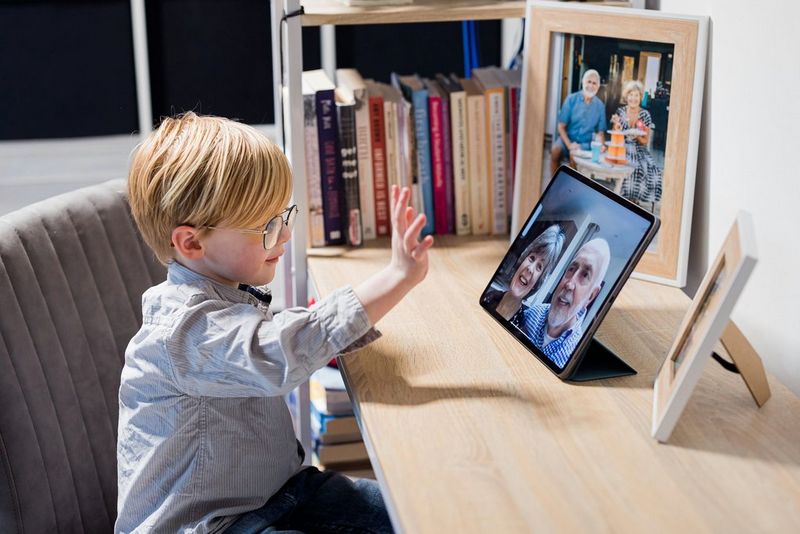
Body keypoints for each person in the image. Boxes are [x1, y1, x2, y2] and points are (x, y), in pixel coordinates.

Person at [117, 112, 433, 533]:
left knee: (416, 513)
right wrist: (395, 277)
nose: (283, 235)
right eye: (266, 226)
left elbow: (256, 338)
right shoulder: (181, 331)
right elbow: (268, 353)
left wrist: (339, 330)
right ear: (191, 242)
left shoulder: (222, 296)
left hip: (280, 494)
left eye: (283, 216)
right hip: (216, 525)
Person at [519, 238, 610, 368]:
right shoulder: (531, 313)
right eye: (572, 269)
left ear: (591, 296)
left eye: (585, 275)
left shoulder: (576, 357)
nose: (569, 284)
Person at [483, 224, 565, 324]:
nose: (530, 268)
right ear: (522, 260)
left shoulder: (520, 329)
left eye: (539, 267)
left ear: (537, 283)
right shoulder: (488, 296)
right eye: (532, 258)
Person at [611, 79, 663, 205]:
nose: (633, 98)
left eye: (636, 95)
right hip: (623, 147)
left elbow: (644, 141)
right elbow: (615, 135)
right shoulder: (621, 112)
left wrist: (637, 136)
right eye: (631, 94)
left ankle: (634, 201)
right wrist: (616, 125)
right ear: (626, 96)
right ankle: (624, 199)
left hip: (639, 149)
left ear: (640, 97)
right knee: (628, 164)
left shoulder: (645, 115)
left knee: (648, 169)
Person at [550, 69, 607, 176]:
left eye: (594, 83)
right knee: (555, 150)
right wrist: (569, 144)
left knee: (574, 155)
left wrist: (602, 145)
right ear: (583, 82)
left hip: (585, 143)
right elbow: (561, 126)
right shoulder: (571, 99)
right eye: (588, 81)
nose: (591, 85)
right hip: (567, 138)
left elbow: (600, 132)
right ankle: (554, 179)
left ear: (598, 87)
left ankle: (572, 184)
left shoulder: (600, 106)